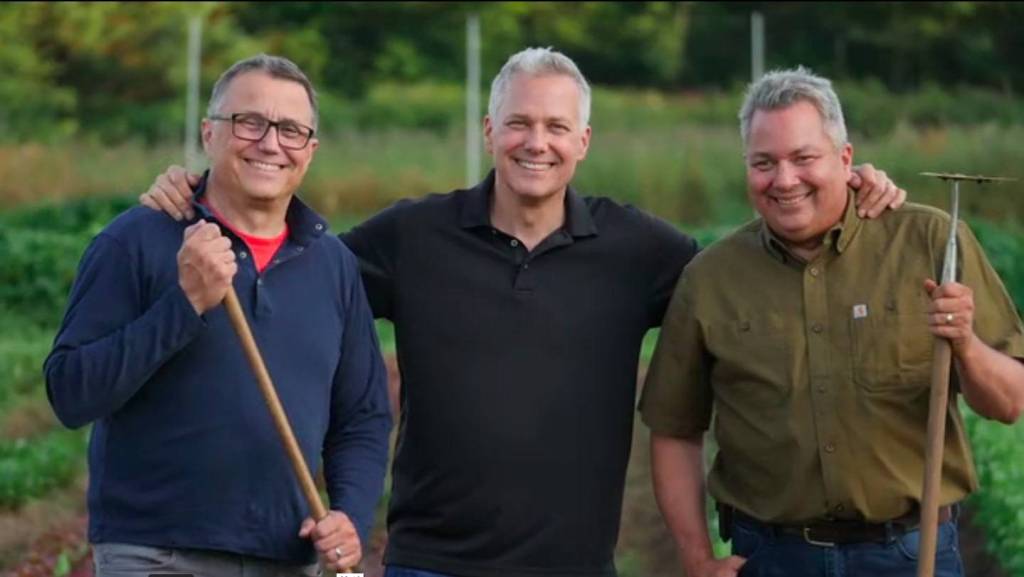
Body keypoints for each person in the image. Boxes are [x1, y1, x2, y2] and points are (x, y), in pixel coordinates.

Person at [141, 49, 904, 577]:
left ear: (583, 142)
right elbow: (294, 273)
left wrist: (853, 190)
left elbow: (754, 284)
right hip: (428, 560)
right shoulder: (414, 236)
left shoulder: (643, 249)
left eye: (555, 127)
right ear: (488, 132)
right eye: (518, 123)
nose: (535, 142)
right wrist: (199, 200)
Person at [640, 67, 1024, 577]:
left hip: (912, 553)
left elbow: (1009, 403)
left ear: (845, 159)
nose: (784, 180)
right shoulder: (710, 278)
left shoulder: (931, 242)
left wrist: (967, 346)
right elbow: (674, 429)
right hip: (769, 556)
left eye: (804, 158)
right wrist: (695, 558)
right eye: (764, 163)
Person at [45, 54, 392, 576]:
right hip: (156, 554)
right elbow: (70, 393)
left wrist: (349, 515)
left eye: (291, 130)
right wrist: (183, 305)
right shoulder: (137, 240)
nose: (270, 143)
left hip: (285, 557)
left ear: (311, 151)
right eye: (249, 122)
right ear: (209, 133)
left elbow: (361, 416)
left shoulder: (332, 264)